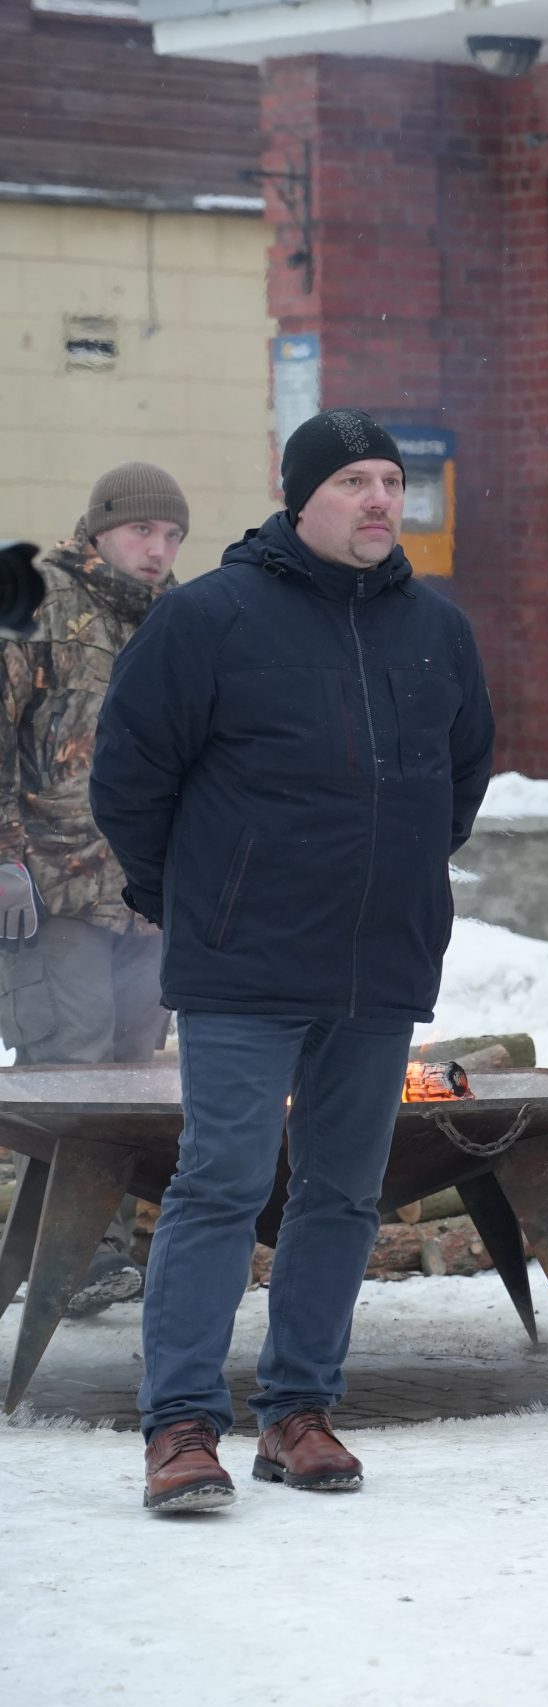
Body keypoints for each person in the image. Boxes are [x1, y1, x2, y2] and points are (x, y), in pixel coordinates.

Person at [91, 408, 495, 1513]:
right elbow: (129, 777)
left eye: (390, 481)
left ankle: (298, 1412)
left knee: (343, 1193)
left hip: (379, 959)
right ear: (299, 496)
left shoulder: (436, 631)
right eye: (355, 481)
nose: (379, 500)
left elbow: (461, 778)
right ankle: (181, 1424)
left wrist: (400, 873)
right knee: (221, 1181)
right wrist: (194, 898)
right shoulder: (210, 619)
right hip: (243, 958)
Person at [0, 463, 188, 1317]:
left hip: (149, 896)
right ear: (101, 527)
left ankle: (94, 1253)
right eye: (143, 530)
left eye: (172, 535)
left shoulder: (182, 619)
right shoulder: (39, 605)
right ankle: (65, 1254)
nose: (158, 549)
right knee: (69, 1065)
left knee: (132, 1075)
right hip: (52, 885)